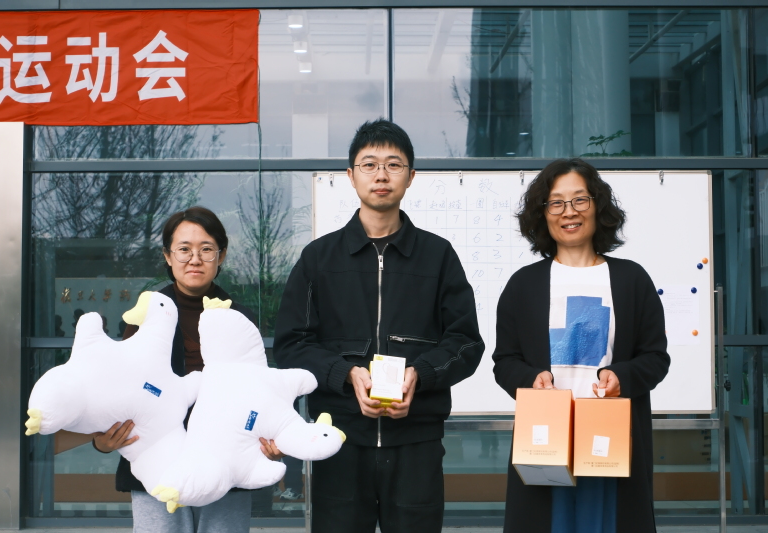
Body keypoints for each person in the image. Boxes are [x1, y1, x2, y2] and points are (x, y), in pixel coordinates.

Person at [273, 119, 484, 533]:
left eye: (393, 164)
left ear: (411, 176)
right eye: (369, 164)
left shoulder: (438, 256)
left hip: (417, 442)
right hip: (338, 439)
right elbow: (292, 344)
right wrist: (345, 373)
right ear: (351, 176)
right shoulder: (319, 258)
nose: (381, 175)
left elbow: (465, 342)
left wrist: (419, 375)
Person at [492, 158, 670, 533]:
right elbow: (505, 361)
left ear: (597, 206)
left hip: (610, 438)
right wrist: (530, 378)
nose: (568, 212)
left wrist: (621, 376)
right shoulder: (523, 285)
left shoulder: (632, 279)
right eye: (556, 202)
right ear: (542, 214)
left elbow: (655, 357)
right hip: (545, 441)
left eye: (579, 199)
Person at [92, 206, 258, 533]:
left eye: (206, 249)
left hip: (226, 459)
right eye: (184, 249)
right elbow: (118, 387)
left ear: (221, 256)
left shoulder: (240, 317)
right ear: (168, 256)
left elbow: (257, 388)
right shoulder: (146, 315)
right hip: (156, 458)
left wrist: (264, 433)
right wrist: (101, 439)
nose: (195, 259)